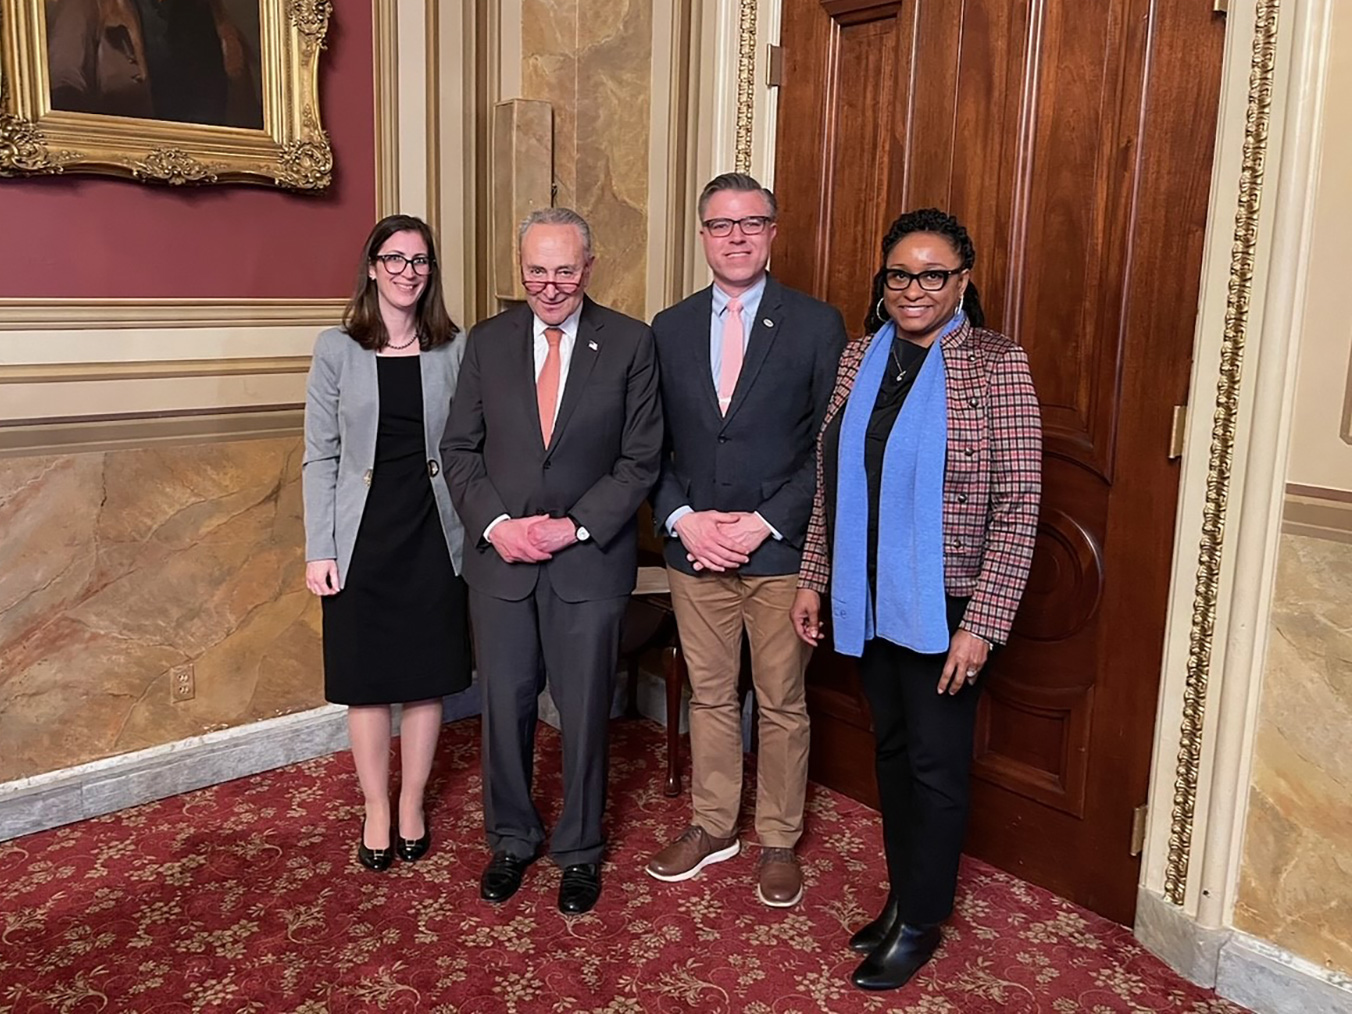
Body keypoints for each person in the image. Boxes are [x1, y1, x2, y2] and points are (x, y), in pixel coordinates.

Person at [791, 208, 1042, 990]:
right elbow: (833, 482)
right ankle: (903, 900)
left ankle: (923, 919)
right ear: (884, 281)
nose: (914, 289)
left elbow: (1020, 502)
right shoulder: (860, 356)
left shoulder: (997, 364)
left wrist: (985, 625)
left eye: (933, 274)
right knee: (893, 752)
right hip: (865, 598)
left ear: (962, 280)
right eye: (899, 274)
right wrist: (812, 576)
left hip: (949, 606)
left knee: (935, 766)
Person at [442, 207, 663, 916]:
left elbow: (640, 461)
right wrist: (499, 526)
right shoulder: (488, 342)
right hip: (502, 563)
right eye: (537, 269)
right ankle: (511, 837)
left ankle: (579, 848)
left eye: (565, 269)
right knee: (503, 709)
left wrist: (571, 529)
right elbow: (459, 451)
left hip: (587, 564)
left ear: (589, 268)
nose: (550, 284)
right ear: (521, 267)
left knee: (586, 710)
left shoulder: (630, 343)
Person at [644, 173, 846, 907]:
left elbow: (830, 445)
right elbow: (648, 446)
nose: (736, 236)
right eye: (721, 224)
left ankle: (779, 839)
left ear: (772, 231)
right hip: (695, 551)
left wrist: (764, 522)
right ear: (701, 235)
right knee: (710, 696)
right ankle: (712, 826)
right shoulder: (667, 327)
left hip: (779, 551)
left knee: (782, 699)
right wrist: (684, 518)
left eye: (751, 222)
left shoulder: (817, 324)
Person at [302, 214, 471, 872]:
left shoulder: (454, 349)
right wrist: (321, 548)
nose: (408, 271)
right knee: (367, 683)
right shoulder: (335, 349)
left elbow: (466, 448)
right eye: (395, 258)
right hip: (360, 537)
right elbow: (320, 456)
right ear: (372, 266)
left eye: (420, 260)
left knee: (427, 680)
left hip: (435, 532)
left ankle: (413, 802)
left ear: (431, 272)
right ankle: (376, 803)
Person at [46, 0, 262, 128]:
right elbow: (63, 97)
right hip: (118, 179)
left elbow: (246, 120)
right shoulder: (87, 6)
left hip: (210, 182)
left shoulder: (215, 19)